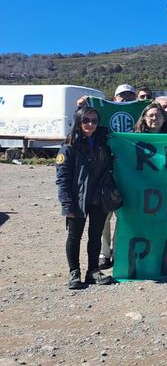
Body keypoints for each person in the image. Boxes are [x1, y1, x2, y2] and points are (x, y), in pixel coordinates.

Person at [55, 107, 116, 289]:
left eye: (94, 121)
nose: (90, 124)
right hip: (77, 200)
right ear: (78, 122)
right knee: (74, 237)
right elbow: (62, 178)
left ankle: (93, 271)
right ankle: (74, 272)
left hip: (98, 198)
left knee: (95, 236)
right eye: (86, 120)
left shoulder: (103, 143)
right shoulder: (69, 146)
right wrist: (67, 204)